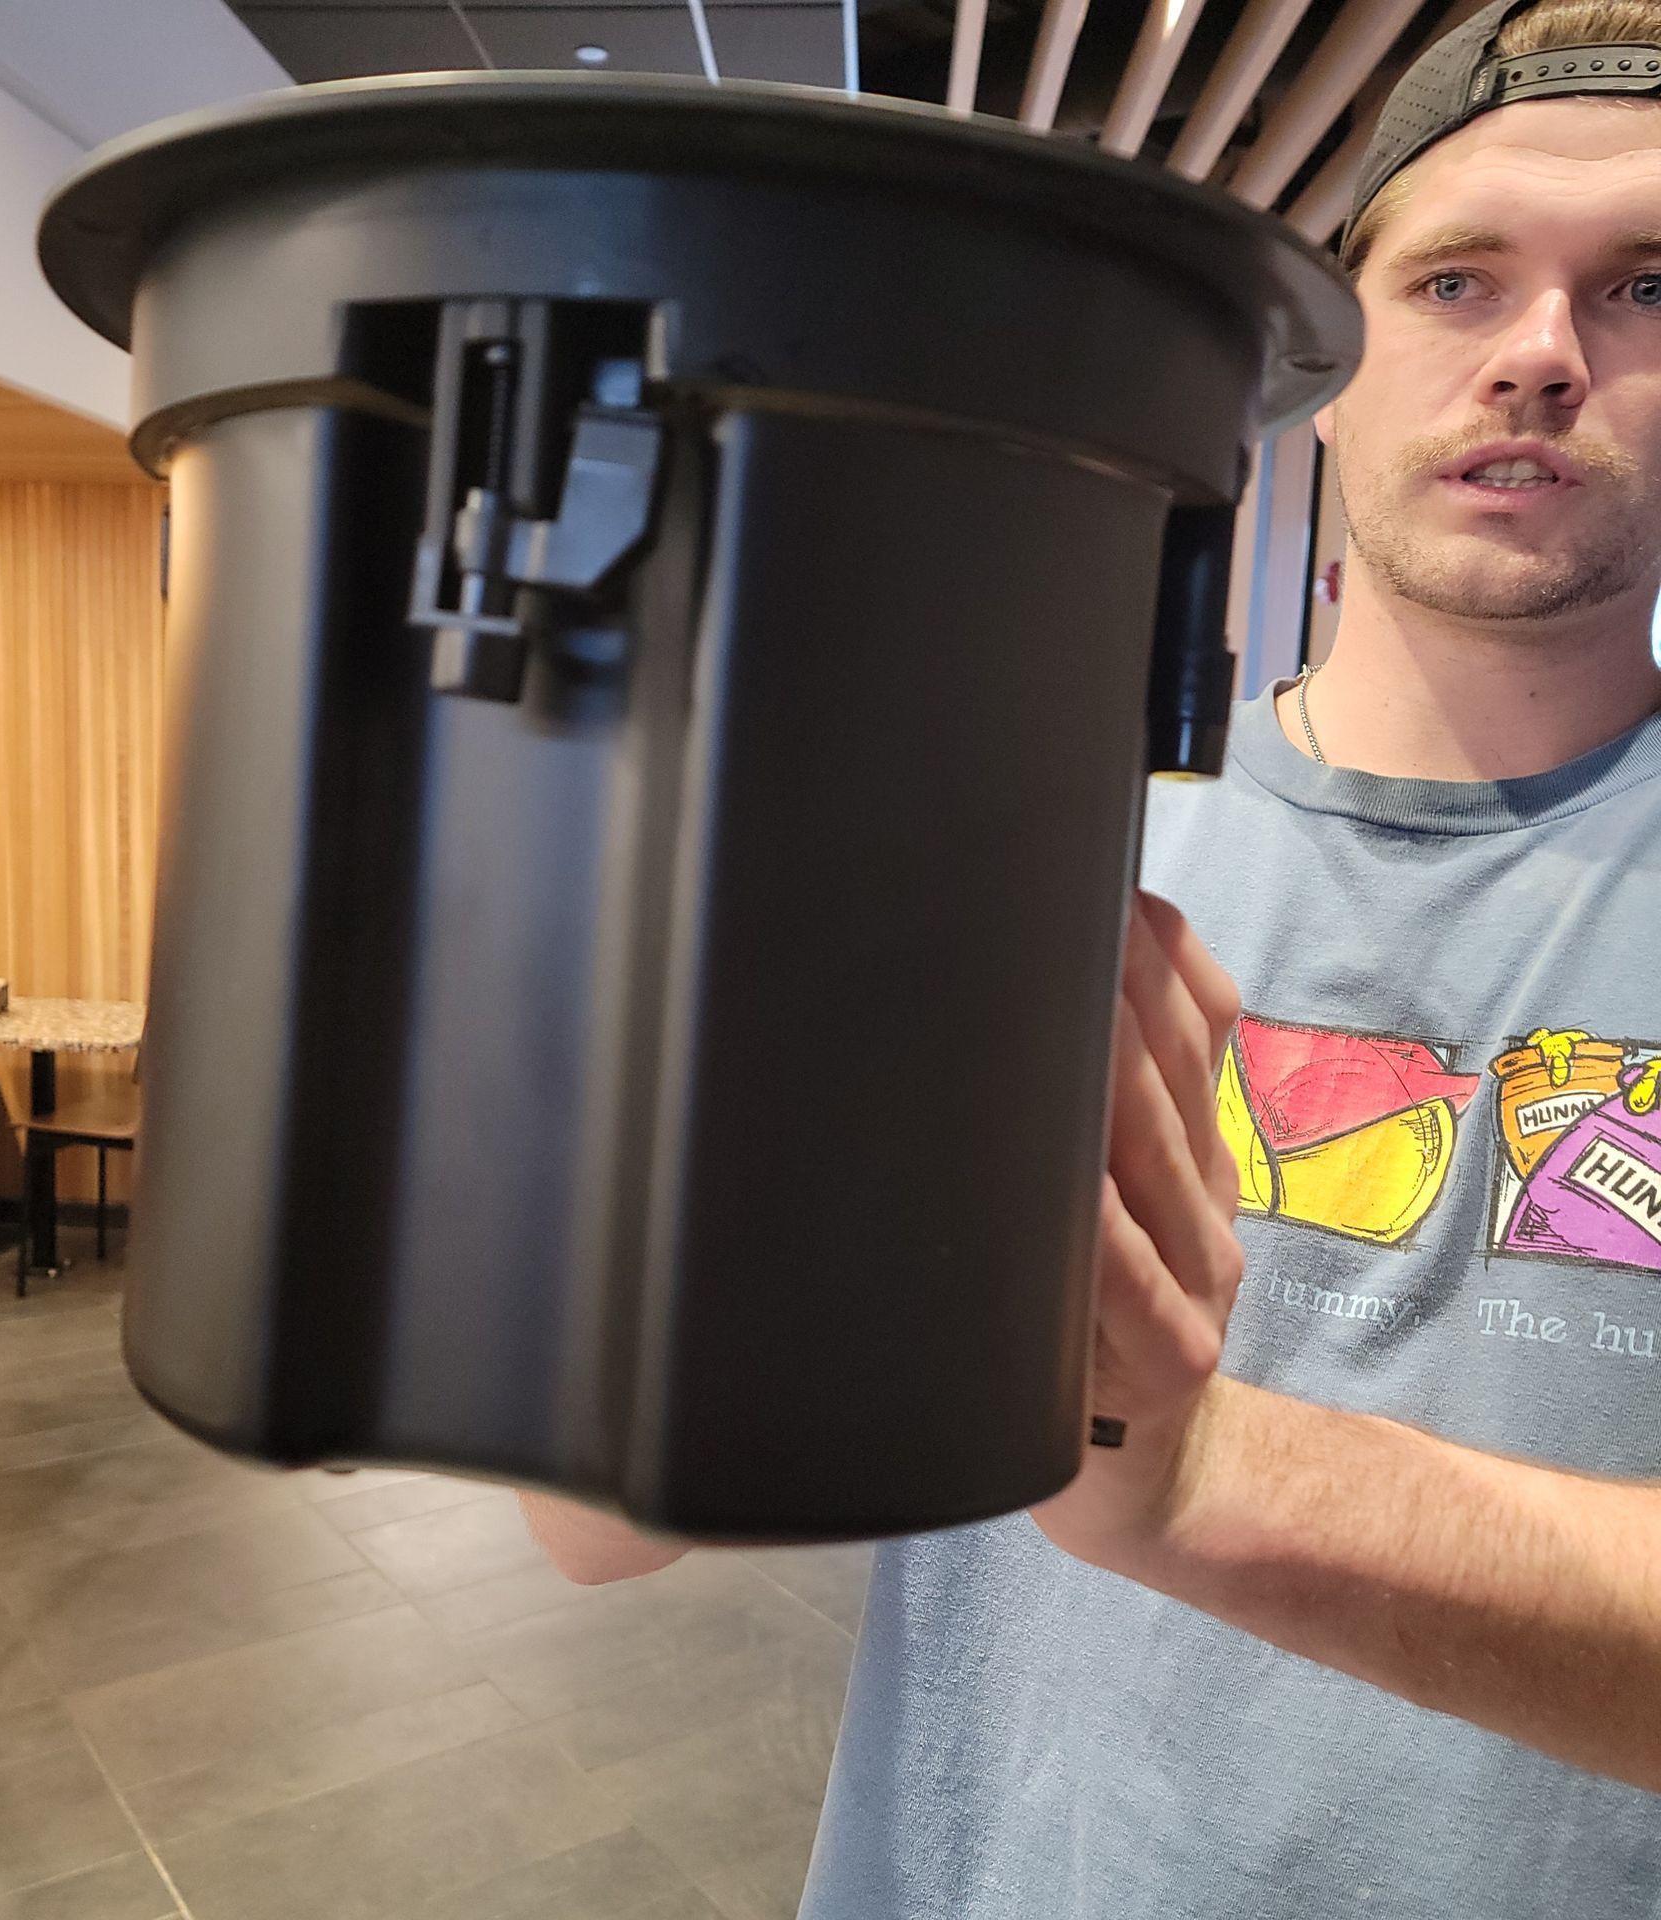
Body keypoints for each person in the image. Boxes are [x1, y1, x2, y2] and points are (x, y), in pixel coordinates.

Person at [521, 2, 1661, 1912]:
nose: (1543, 354)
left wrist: (1201, 1476)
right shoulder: (1015, 844)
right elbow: (593, 1519)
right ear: (1328, 364)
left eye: (1647, 287)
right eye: (1457, 278)